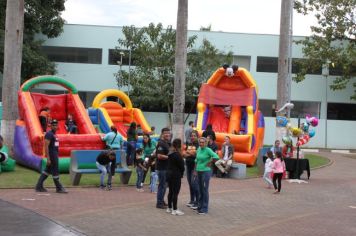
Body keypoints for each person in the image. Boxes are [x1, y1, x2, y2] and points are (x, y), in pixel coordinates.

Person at [35, 119, 67, 193]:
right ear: (50, 126)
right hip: (52, 155)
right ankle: (59, 188)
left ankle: (39, 186)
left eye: (56, 125)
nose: (55, 126)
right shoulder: (49, 134)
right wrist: (48, 158)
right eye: (53, 125)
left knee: (47, 171)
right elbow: (46, 146)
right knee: (55, 171)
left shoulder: (54, 134)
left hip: (55, 154)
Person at [194, 137, 220, 215]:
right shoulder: (198, 149)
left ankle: (204, 208)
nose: (201, 144)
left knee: (204, 190)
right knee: (200, 189)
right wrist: (195, 170)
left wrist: (210, 161)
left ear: (205, 143)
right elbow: (196, 160)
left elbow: (216, 156)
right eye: (200, 142)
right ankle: (200, 206)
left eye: (203, 142)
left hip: (205, 172)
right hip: (199, 171)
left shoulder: (208, 150)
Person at [166, 138, 185, 216]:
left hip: (169, 174)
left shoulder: (170, 154)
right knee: (175, 192)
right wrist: (182, 173)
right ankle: (175, 209)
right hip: (176, 175)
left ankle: (169, 207)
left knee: (170, 191)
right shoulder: (178, 155)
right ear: (179, 145)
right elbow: (182, 167)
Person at [183, 130, 200, 210]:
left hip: (195, 167)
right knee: (190, 184)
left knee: (194, 184)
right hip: (188, 165)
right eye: (191, 136)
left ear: (197, 136)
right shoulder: (189, 144)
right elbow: (184, 154)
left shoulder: (199, 145)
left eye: (194, 136)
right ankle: (192, 200)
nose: (192, 137)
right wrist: (190, 153)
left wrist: (189, 153)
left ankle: (197, 201)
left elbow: (196, 154)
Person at [156, 127, 171, 209]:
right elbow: (159, 156)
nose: (167, 134)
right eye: (166, 133)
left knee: (164, 186)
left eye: (168, 133)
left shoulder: (167, 143)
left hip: (166, 168)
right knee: (162, 185)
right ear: (162, 134)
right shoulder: (161, 143)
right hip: (162, 168)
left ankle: (161, 200)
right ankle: (159, 203)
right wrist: (170, 157)